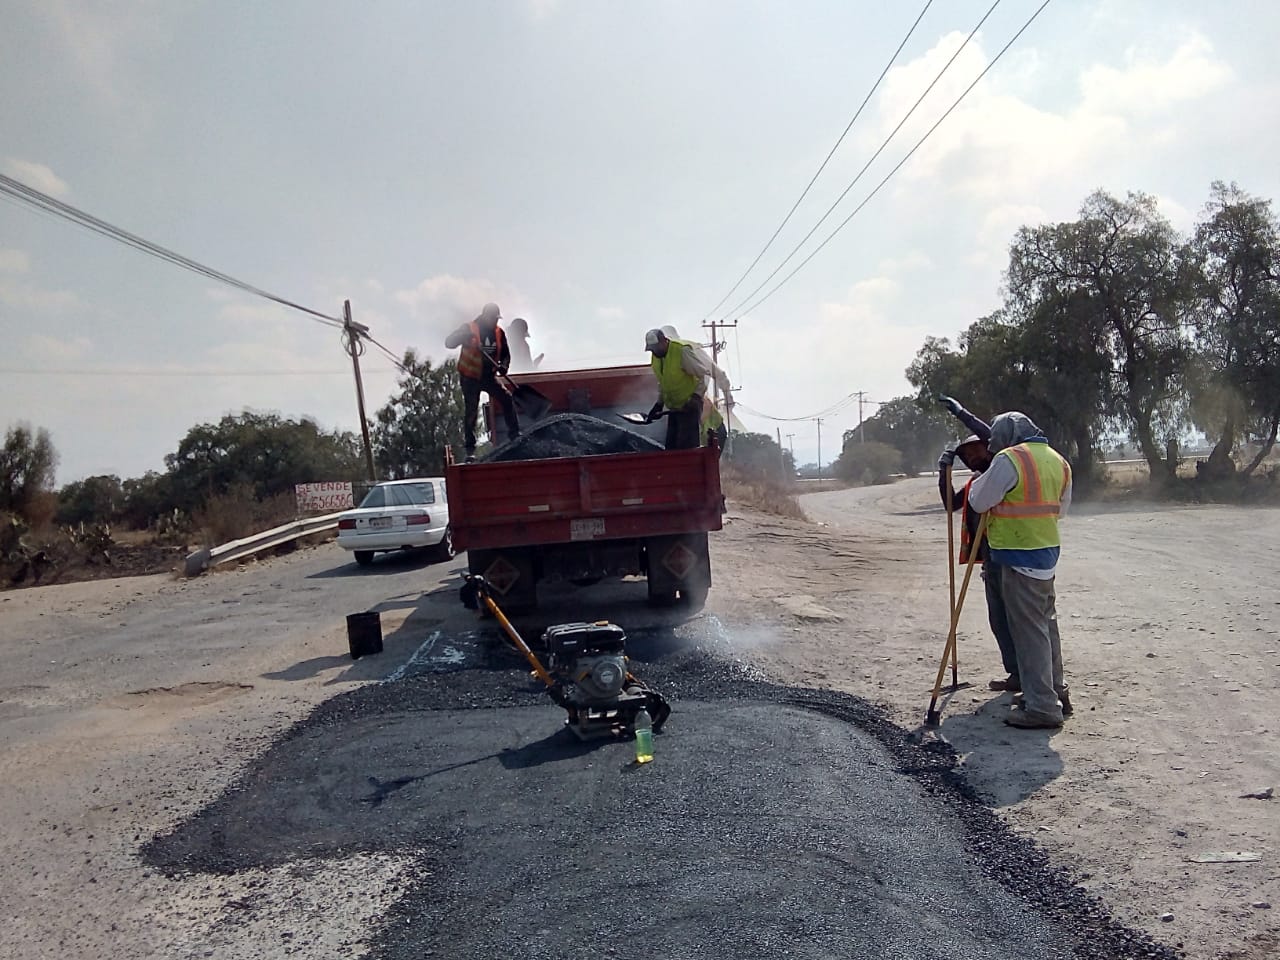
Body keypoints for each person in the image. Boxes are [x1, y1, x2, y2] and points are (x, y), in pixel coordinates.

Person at [966, 411, 1074, 729]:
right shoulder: (1058, 460)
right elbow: (1062, 509)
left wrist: (980, 483)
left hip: (1018, 554)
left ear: (1007, 438)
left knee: (1029, 633)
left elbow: (978, 501)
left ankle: (1042, 706)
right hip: (1046, 553)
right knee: (1045, 626)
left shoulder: (1009, 460)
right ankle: (1055, 691)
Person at [445, 302, 520, 461]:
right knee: (471, 411)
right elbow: (449, 342)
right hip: (470, 377)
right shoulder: (470, 328)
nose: (495, 322)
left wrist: (503, 367)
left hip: (488, 377)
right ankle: (470, 450)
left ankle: (515, 435)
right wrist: (464, 337)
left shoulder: (499, 333)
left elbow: (506, 354)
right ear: (485, 316)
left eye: (497, 319)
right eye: (493, 318)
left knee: (506, 398)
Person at [661, 325, 732, 452]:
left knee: (701, 460)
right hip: (686, 420)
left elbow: (715, 373)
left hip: (705, 422)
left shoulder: (687, 350)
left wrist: (728, 398)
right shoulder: (662, 358)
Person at [643, 327, 712, 450]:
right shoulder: (656, 357)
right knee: (671, 448)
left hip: (689, 407)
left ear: (664, 341)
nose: (655, 352)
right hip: (674, 409)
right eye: (652, 350)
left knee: (686, 448)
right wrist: (659, 404)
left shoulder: (681, 352)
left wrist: (696, 397)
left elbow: (705, 374)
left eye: (657, 348)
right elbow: (664, 382)